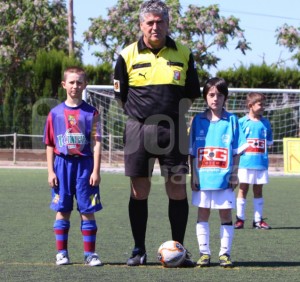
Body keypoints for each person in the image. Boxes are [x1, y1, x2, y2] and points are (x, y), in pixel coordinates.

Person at [113, 0, 201, 267]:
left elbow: (192, 93)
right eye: (149, 22)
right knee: (140, 191)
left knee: (177, 190)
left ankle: (179, 249)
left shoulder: (184, 53)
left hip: (173, 130)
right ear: (141, 25)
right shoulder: (126, 55)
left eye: (160, 21)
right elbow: (120, 95)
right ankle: (138, 250)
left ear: (167, 23)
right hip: (138, 129)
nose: (155, 26)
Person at [43, 66, 103, 266]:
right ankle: (62, 253)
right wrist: (51, 171)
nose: (75, 86)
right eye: (71, 82)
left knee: (87, 209)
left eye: (79, 82)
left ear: (85, 85)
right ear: (64, 85)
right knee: (63, 209)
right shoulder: (55, 113)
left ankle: (90, 255)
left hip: (85, 166)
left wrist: (96, 170)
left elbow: (96, 142)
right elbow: (50, 143)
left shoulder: (92, 113)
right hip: (62, 166)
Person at [189, 77, 248, 268]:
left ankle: (224, 254)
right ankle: (204, 254)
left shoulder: (232, 120)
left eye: (220, 95)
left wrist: (234, 173)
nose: (215, 99)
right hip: (203, 178)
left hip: (224, 179)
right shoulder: (197, 121)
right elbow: (191, 153)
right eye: (211, 94)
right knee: (202, 214)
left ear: (225, 98)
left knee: (225, 215)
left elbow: (237, 151)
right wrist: (194, 175)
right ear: (205, 97)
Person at [234, 92, 273, 230]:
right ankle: (240, 219)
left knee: (258, 190)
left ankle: (258, 220)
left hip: (261, 163)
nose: (263, 107)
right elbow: (237, 143)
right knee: (243, 189)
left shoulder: (266, 123)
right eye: (260, 104)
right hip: (245, 163)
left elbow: (268, 142)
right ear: (250, 105)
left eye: (264, 104)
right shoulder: (241, 122)